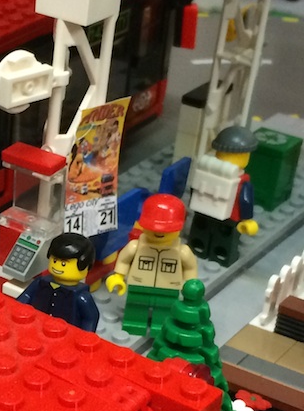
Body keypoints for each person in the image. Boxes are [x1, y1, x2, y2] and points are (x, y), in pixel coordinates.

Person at [106, 194, 196, 336]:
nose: (159, 232)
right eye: (153, 227)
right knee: (136, 307)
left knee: (164, 310)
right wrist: (118, 276)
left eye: (166, 229)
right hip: (138, 284)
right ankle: (134, 324)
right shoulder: (135, 246)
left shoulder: (182, 251)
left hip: (168, 288)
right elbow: (123, 260)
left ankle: (161, 328)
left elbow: (190, 268)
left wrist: (190, 285)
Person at [186, 125, 258, 266]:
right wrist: (247, 219)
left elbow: (194, 188)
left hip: (203, 210)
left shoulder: (206, 168)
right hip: (230, 217)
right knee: (225, 238)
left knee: (201, 229)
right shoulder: (242, 181)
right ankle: (220, 256)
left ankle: (197, 248)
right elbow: (245, 200)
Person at [17, 232, 99, 332]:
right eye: (55, 261)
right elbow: (25, 297)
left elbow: (90, 318)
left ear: (85, 265)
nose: (57, 266)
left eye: (64, 263)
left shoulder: (81, 297)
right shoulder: (40, 283)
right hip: (36, 328)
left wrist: (84, 336)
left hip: (66, 335)